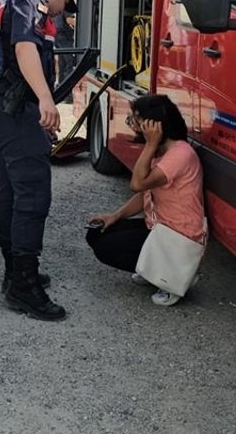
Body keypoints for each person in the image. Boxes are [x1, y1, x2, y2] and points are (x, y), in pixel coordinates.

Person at [0, 0, 75, 320]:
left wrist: (40, 110)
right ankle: (23, 284)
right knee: (34, 193)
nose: (63, 11)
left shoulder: (14, 3)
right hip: (15, 107)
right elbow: (24, 50)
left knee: (9, 191)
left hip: (11, 109)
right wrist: (46, 102)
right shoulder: (28, 1)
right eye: (66, 1)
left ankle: (15, 272)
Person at [86, 95, 205, 306]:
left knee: (106, 247)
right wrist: (114, 216)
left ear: (156, 124)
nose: (134, 123)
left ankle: (173, 278)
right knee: (96, 233)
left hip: (176, 236)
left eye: (138, 119)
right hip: (159, 228)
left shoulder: (180, 154)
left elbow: (138, 184)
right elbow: (145, 195)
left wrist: (150, 144)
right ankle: (153, 268)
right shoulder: (163, 150)